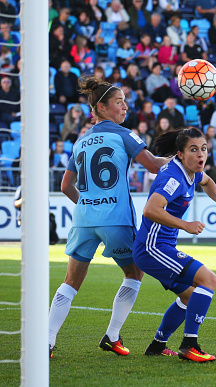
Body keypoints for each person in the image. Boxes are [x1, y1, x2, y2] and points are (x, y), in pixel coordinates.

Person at [49, 76, 170, 358]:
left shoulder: (80, 141)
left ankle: (47, 341)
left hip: (83, 219)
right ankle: (112, 336)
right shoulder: (124, 134)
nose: (125, 107)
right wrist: (177, 161)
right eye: (119, 102)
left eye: (125, 102)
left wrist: (89, 204)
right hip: (116, 220)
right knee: (134, 273)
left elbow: (65, 185)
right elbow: (152, 165)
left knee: (70, 281)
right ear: (102, 108)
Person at [134, 127, 216, 362]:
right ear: (180, 154)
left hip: (158, 247)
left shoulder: (192, 171)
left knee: (189, 296)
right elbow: (150, 210)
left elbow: (207, 182)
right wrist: (185, 225)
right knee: (208, 280)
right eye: (194, 150)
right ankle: (189, 345)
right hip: (152, 247)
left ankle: (157, 345)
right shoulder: (173, 178)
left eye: (204, 149)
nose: (201, 155)